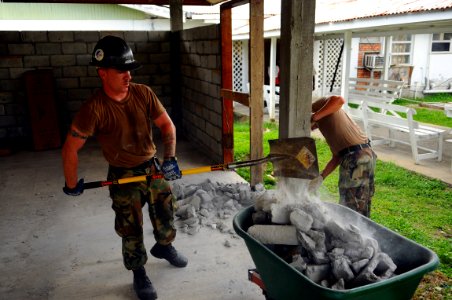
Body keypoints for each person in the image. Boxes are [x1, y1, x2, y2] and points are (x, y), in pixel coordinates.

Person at [61, 35, 187, 300]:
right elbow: (70, 148)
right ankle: (138, 272)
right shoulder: (93, 108)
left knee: (166, 209)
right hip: (122, 174)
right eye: (121, 70)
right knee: (130, 227)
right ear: (103, 73)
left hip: (152, 166)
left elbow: (167, 126)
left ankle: (165, 246)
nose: (128, 75)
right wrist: (71, 184)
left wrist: (170, 158)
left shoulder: (143, 93)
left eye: (130, 69)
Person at [310, 95, 377, 217]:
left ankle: (352, 230)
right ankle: (361, 229)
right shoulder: (327, 125)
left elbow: (339, 100)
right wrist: (321, 177)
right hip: (361, 155)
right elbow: (336, 157)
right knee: (360, 200)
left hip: (357, 157)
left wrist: (315, 117)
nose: (310, 129)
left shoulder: (316, 107)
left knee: (351, 203)